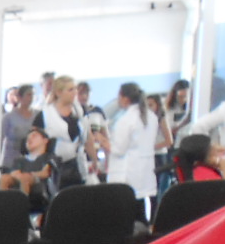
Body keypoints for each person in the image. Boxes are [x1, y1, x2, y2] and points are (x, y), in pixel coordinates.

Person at [100, 81, 159, 222]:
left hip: (126, 173)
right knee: (141, 211)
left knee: (128, 215)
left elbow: (118, 149)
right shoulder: (152, 117)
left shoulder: (125, 120)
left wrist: (102, 140)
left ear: (124, 98)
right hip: (144, 171)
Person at [33, 74, 88, 189]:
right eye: (70, 90)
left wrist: (93, 160)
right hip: (55, 168)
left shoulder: (79, 111)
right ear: (58, 92)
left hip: (77, 164)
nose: (75, 93)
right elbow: (33, 142)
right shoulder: (45, 115)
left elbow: (88, 137)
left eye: (75, 89)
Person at [0, 125, 56, 212]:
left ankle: (22, 210)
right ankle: (2, 209)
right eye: (28, 138)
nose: (29, 139)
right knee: (4, 178)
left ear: (45, 140)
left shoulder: (49, 157)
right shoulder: (20, 160)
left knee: (25, 178)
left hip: (39, 181)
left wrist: (28, 174)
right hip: (19, 178)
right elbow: (14, 173)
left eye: (34, 136)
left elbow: (46, 173)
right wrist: (19, 175)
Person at [0, 83, 36, 171]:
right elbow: (1, 137)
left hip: (31, 160)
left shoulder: (37, 115)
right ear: (19, 97)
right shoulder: (9, 117)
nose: (31, 98)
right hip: (11, 160)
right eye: (28, 95)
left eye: (33, 95)